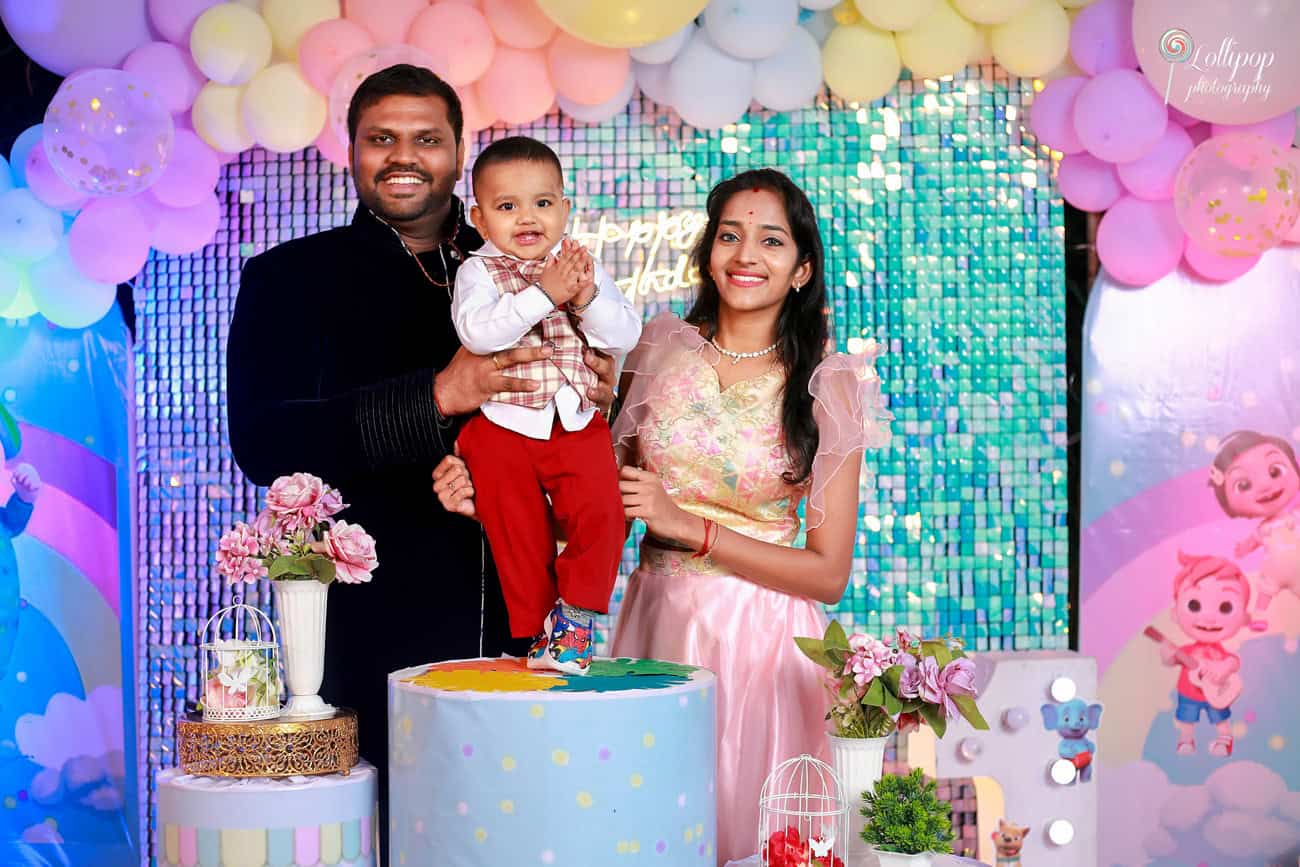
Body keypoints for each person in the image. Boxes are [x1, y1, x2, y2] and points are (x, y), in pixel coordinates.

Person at [436, 168, 892, 864]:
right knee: (651, 828)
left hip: (769, 648)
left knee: (756, 828)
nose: (746, 255)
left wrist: (692, 526)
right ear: (708, 250)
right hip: (657, 627)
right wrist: (489, 497)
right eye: (730, 235)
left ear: (802, 269)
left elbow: (827, 575)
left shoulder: (831, 383)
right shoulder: (656, 347)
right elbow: (596, 509)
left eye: (771, 241)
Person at [225, 64, 616, 853]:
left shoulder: (536, 265)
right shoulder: (291, 279)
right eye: (382, 139)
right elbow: (261, 439)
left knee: (517, 832)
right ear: (351, 151)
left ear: (459, 152)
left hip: (517, 616)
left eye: (427, 139)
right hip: (373, 625)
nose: (404, 156)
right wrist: (435, 399)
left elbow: (587, 426)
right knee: (390, 833)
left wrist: (593, 393)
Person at [452, 136, 641, 674]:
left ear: (564, 209)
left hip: (574, 418)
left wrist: (583, 297)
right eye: (506, 207)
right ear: (481, 219)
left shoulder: (581, 265)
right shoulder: (478, 272)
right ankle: (539, 631)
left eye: (542, 203)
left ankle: (575, 615)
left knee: (603, 513)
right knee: (515, 527)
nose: (527, 218)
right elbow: (478, 332)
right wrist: (544, 294)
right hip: (503, 423)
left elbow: (624, 332)